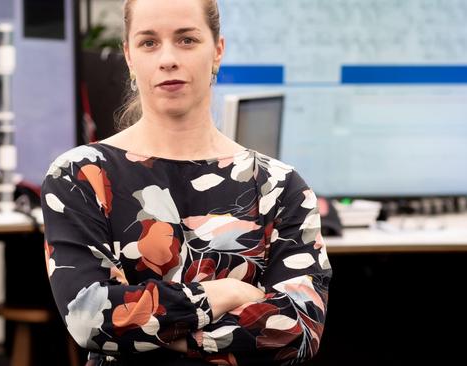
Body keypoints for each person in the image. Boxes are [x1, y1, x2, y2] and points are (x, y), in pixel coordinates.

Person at [41, 0, 331, 365]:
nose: (167, 59)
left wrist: (153, 327)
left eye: (187, 40)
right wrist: (220, 295)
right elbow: (91, 318)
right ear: (129, 56)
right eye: (149, 43)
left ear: (217, 51)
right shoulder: (81, 176)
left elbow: (297, 331)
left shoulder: (279, 187)